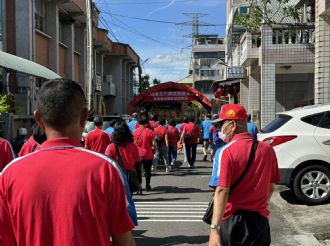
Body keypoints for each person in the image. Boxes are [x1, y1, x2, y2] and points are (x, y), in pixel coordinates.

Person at [0, 79, 135, 245]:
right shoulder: (105, 169)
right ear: (85, 116)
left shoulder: (10, 173)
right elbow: (124, 242)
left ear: (38, 118)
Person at [208, 104, 280, 246]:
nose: (219, 130)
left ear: (233, 125)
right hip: (260, 221)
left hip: (233, 220)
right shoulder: (267, 150)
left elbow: (222, 190)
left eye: (221, 125)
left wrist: (214, 229)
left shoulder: (225, 152)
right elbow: (271, 188)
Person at [105, 120, 142, 195]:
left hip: (116, 179)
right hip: (129, 179)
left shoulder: (111, 147)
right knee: (129, 201)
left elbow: (106, 165)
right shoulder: (133, 146)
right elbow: (138, 164)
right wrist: (139, 180)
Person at [133, 113, 156, 191]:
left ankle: (139, 186)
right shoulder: (149, 132)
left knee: (138, 171)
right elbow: (154, 144)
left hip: (137, 155)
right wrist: (154, 150)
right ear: (146, 123)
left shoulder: (134, 132)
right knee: (148, 170)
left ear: (138, 123)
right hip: (148, 154)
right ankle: (147, 184)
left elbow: (132, 144)